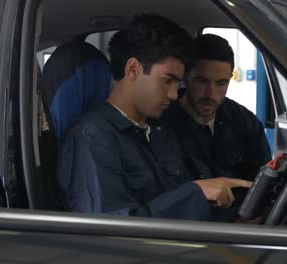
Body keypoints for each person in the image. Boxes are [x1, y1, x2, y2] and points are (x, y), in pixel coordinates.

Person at [56, 14, 251, 220]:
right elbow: (112, 228)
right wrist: (196, 192)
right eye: (167, 81)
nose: (174, 94)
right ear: (133, 69)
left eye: (178, 83)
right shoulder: (92, 139)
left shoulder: (160, 131)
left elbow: (181, 200)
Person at [161, 34, 272, 214]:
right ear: (185, 76)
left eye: (221, 83)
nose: (211, 94)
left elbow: (262, 188)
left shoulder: (244, 122)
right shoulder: (161, 124)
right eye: (202, 81)